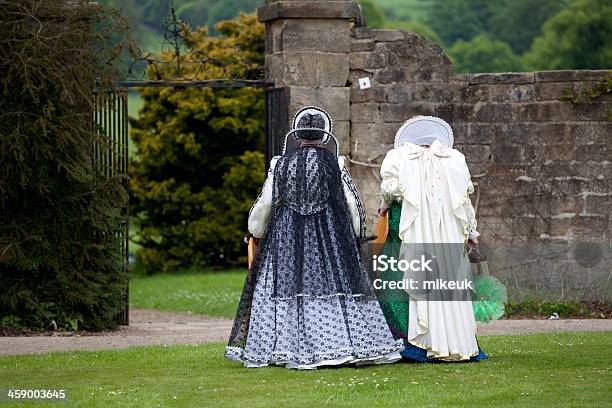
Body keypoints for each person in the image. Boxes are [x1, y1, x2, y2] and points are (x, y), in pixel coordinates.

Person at [225, 106, 403, 369]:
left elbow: (266, 203)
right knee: (332, 287)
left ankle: (284, 347)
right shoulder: (336, 163)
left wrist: (256, 231)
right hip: (329, 235)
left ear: (297, 136)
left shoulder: (280, 163)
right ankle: (336, 344)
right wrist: (354, 234)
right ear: (323, 135)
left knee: (286, 289)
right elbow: (351, 203)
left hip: (286, 236)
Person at [377, 115, 491, 362]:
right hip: (447, 231)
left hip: (417, 229)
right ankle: (457, 343)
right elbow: (464, 202)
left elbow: (390, 190)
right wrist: (471, 232)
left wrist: (384, 206)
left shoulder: (398, 158)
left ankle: (419, 344)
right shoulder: (455, 160)